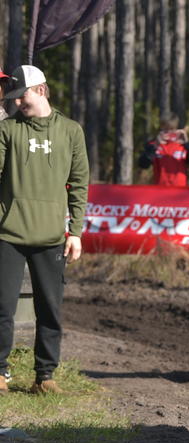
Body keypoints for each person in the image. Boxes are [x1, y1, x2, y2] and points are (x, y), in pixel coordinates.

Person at [0, 65, 89, 394]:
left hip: (52, 238)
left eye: (20, 96)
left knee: (50, 309)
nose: (17, 103)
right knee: (2, 308)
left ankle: (45, 376)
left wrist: (75, 231)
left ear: (39, 89)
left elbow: (79, 184)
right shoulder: (8, 130)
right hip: (8, 234)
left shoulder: (70, 131)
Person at [136, 114, 189, 186]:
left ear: (176, 129)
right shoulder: (154, 144)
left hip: (180, 190)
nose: (169, 133)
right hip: (160, 190)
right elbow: (142, 165)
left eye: (172, 129)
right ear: (161, 128)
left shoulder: (182, 145)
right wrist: (155, 146)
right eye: (165, 130)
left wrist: (187, 143)